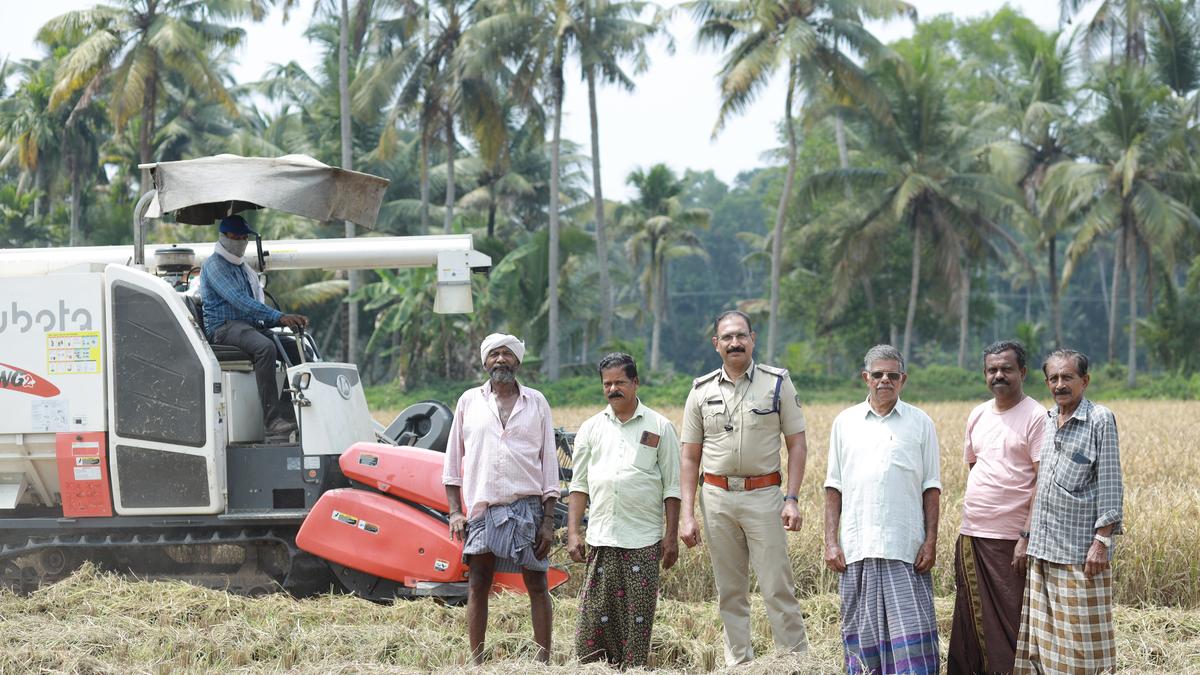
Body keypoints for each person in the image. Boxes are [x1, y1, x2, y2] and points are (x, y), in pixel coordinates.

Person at [679, 310, 810, 666]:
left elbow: (797, 444)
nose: (734, 343)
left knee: (777, 586)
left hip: (764, 496)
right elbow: (689, 456)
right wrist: (687, 515)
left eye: (741, 336)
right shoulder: (701, 390)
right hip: (716, 498)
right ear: (716, 344)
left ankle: (794, 663)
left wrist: (792, 499)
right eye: (727, 337)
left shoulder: (777, 383)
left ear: (753, 339)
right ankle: (739, 663)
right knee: (730, 590)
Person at [441, 333, 559, 665]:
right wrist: (455, 511)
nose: (501, 359)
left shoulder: (536, 402)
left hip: (527, 509)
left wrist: (548, 520)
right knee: (478, 582)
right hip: (483, 508)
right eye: (494, 354)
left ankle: (543, 662)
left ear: (518, 361)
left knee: (536, 582)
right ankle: (477, 662)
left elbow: (549, 463)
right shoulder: (468, 401)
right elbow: (452, 461)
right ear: (485, 362)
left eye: (507, 353)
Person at [825, 344, 942, 675]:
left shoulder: (921, 423)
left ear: (903, 379)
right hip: (857, 548)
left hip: (905, 549)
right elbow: (833, 486)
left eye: (892, 375)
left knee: (912, 643)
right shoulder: (845, 423)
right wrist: (831, 542)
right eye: (878, 375)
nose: (885, 380)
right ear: (866, 378)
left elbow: (931, 487)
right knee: (863, 645)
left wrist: (930, 541)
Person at [567, 352, 681, 668]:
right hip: (602, 538)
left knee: (636, 626)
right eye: (607, 384)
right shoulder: (590, 428)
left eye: (619, 382)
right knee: (592, 627)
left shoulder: (660, 426)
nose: (613, 389)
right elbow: (579, 485)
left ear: (635, 382)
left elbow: (673, 488)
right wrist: (574, 532)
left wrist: (671, 537)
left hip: (643, 541)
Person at [1015, 349, 1123, 674]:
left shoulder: (1100, 419)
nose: (1060, 384)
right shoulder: (1048, 420)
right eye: (1053, 378)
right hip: (1042, 550)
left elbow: (1111, 484)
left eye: (1067, 377)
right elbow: (1041, 484)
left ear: (1084, 381)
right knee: (1044, 641)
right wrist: (1026, 536)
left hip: (1079, 554)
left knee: (1081, 642)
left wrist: (1101, 542)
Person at [948, 340, 1047, 675]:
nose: (999, 375)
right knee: (970, 619)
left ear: (1023, 372)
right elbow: (975, 467)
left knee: (1010, 621)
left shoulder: (1037, 417)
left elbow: (1042, 480)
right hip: (973, 534)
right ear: (984, 373)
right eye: (992, 370)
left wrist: (1026, 536)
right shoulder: (977, 414)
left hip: (1011, 540)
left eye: (1006, 369)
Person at [199, 215, 308, 441]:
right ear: (224, 237)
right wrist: (279, 317)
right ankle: (272, 421)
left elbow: (253, 310)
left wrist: (283, 320)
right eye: (236, 237)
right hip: (223, 329)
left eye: (244, 237)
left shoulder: (242, 268)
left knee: (298, 349)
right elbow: (240, 301)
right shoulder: (215, 266)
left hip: (247, 327)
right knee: (265, 348)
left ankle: (289, 414)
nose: (241, 241)